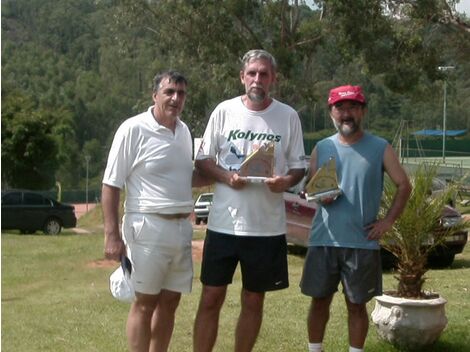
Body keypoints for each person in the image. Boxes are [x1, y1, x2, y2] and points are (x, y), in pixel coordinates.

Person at [193, 49, 306, 352]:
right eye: (252, 73)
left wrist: (285, 182)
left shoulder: (288, 116)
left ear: (273, 79)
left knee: (254, 300)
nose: (258, 79)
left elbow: (298, 167)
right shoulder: (224, 111)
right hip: (224, 225)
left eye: (264, 74)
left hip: (266, 229)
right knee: (211, 298)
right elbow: (203, 159)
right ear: (242, 77)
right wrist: (226, 177)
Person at [300, 85, 412, 352]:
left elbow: (404, 186)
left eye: (352, 107)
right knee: (319, 301)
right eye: (340, 108)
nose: (346, 113)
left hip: (361, 242)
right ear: (331, 113)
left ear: (362, 111)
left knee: (356, 305)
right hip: (323, 240)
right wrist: (316, 194)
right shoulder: (321, 147)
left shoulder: (380, 147)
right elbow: (309, 188)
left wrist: (387, 222)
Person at [102, 70, 208, 352]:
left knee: (170, 302)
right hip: (146, 227)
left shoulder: (184, 132)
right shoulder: (133, 129)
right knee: (145, 303)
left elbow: (188, 177)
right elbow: (111, 184)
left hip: (181, 229)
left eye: (181, 93)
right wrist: (112, 235)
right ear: (155, 95)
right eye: (169, 92)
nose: (176, 98)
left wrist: (229, 174)